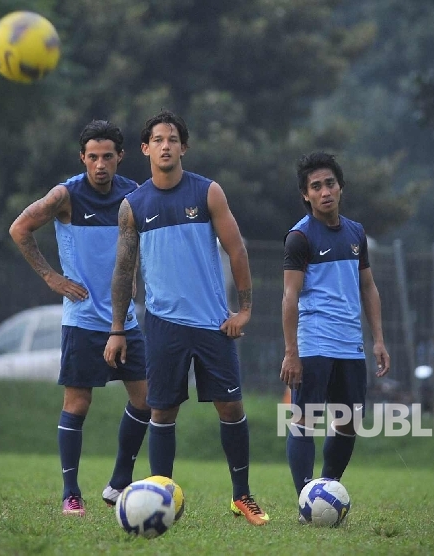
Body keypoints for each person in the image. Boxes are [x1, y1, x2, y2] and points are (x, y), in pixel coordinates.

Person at [103, 109, 270, 526]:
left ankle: (242, 497)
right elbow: (124, 271)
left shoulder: (208, 192)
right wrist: (118, 329)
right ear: (145, 149)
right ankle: (162, 497)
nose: (165, 145)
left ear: (183, 147)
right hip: (163, 326)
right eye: (157, 139)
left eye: (172, 139)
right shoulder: (133, 205)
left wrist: (244, 309)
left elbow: (237, 251)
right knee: (162, 412)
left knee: (231, 408)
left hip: (214, 325)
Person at [9, 120, 150, 517]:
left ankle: (120, 482)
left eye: (108, 156)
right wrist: (52, 278)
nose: (100, 164)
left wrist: (135, 272)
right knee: (78, 402)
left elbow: (137, 242)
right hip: (83, 319)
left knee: (146, 400)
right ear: (82, 158)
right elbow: (20, 228)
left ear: (120, 157)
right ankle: (71, 493)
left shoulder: (134, 195)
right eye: (93, 157)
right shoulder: (65, 195)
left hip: (125, 320)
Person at [279, 152, 391, 514]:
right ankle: (304, 499)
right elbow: (290, 295)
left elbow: (369, 287)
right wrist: (291, 351)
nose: (325, 191)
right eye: (316, 186)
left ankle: (325, 494)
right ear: (306, 195)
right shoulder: (300, 237)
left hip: (351, 345)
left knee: (349, 423)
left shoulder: (357, 232)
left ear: (340, 187)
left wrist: (379, 339)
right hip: (314, 341)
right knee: (305, 419)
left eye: (330, 183)